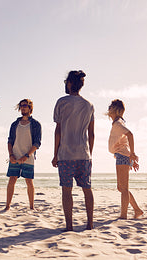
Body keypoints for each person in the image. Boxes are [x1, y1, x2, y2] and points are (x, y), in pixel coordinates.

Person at [52, 70, 95, 231]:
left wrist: (55, 154)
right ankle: (90, 224)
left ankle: (69, 226)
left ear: (69, 83)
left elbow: (58, 131)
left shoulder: (62, 102)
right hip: (84, 153)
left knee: (67, 190)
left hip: (66, 154)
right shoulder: (89, 105)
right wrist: (90, 153)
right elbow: (91, 134)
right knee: (87, 189)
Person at [106, 99, 144, 219]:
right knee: (121, 187)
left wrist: (132, 154)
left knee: (124, 188)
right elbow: (123, 140)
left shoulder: (118, 124)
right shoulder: (118, 123)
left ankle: (124, 215)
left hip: (123, 156)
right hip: (121, 155)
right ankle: (137, 210)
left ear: (116, 110)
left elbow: (130, 135)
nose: (108, 108)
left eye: (111, 106)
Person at [5, 99, 42, 211]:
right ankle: (7, 206)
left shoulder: (35, 124)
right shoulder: (15, 124)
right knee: (12, 180)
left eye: (25, 106)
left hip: (28, 157)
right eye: (21, 106)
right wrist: (11, 155)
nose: (23, 108)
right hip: (15, 156)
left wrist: (26, 156)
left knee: (29, 181)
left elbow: (37, 143)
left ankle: (31, 207)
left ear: (30, 108)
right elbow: (10, 141)